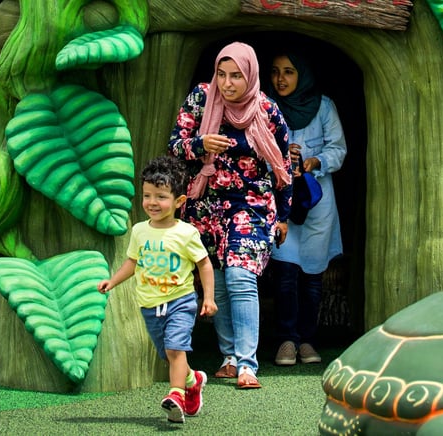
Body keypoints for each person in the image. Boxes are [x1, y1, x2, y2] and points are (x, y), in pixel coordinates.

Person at [167, 41, 293, 389]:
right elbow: (175, 144)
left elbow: (284, 163)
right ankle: (229, 356)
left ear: (249, 75)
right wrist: (200, 144)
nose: (227, 83)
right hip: (206, 205)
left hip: (251, 206)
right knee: (218, 281)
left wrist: (283, 214)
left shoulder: (266, 107)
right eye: (222, 74)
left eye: (236, 76)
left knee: (240, 276)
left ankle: (247, 365)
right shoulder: (201, 98)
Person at [97, 155, 217, 423]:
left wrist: (208, 297)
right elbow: (132, 261)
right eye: (147, 195)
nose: (152, 203)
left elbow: (205, 265)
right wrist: (113, 281)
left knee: (176, 349)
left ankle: (176, 396)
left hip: (180, 301)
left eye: (161, 196)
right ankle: (192, 380)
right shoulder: (139, 231)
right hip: (149, 304)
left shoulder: (186, 233)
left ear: (179, 201)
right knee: (170, 355)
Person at [268, 52, 347, 366]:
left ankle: (308, 341)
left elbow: (338, 148)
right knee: (285, 273)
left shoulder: (324, 106)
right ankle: (287, 340)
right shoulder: (266, 107)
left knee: (312, 275)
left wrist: (315, 162)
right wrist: (280, 154)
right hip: (280, 199)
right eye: (275, 72)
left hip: (316, 200)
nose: (281, 79)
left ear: (303, 75)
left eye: (289, 71)